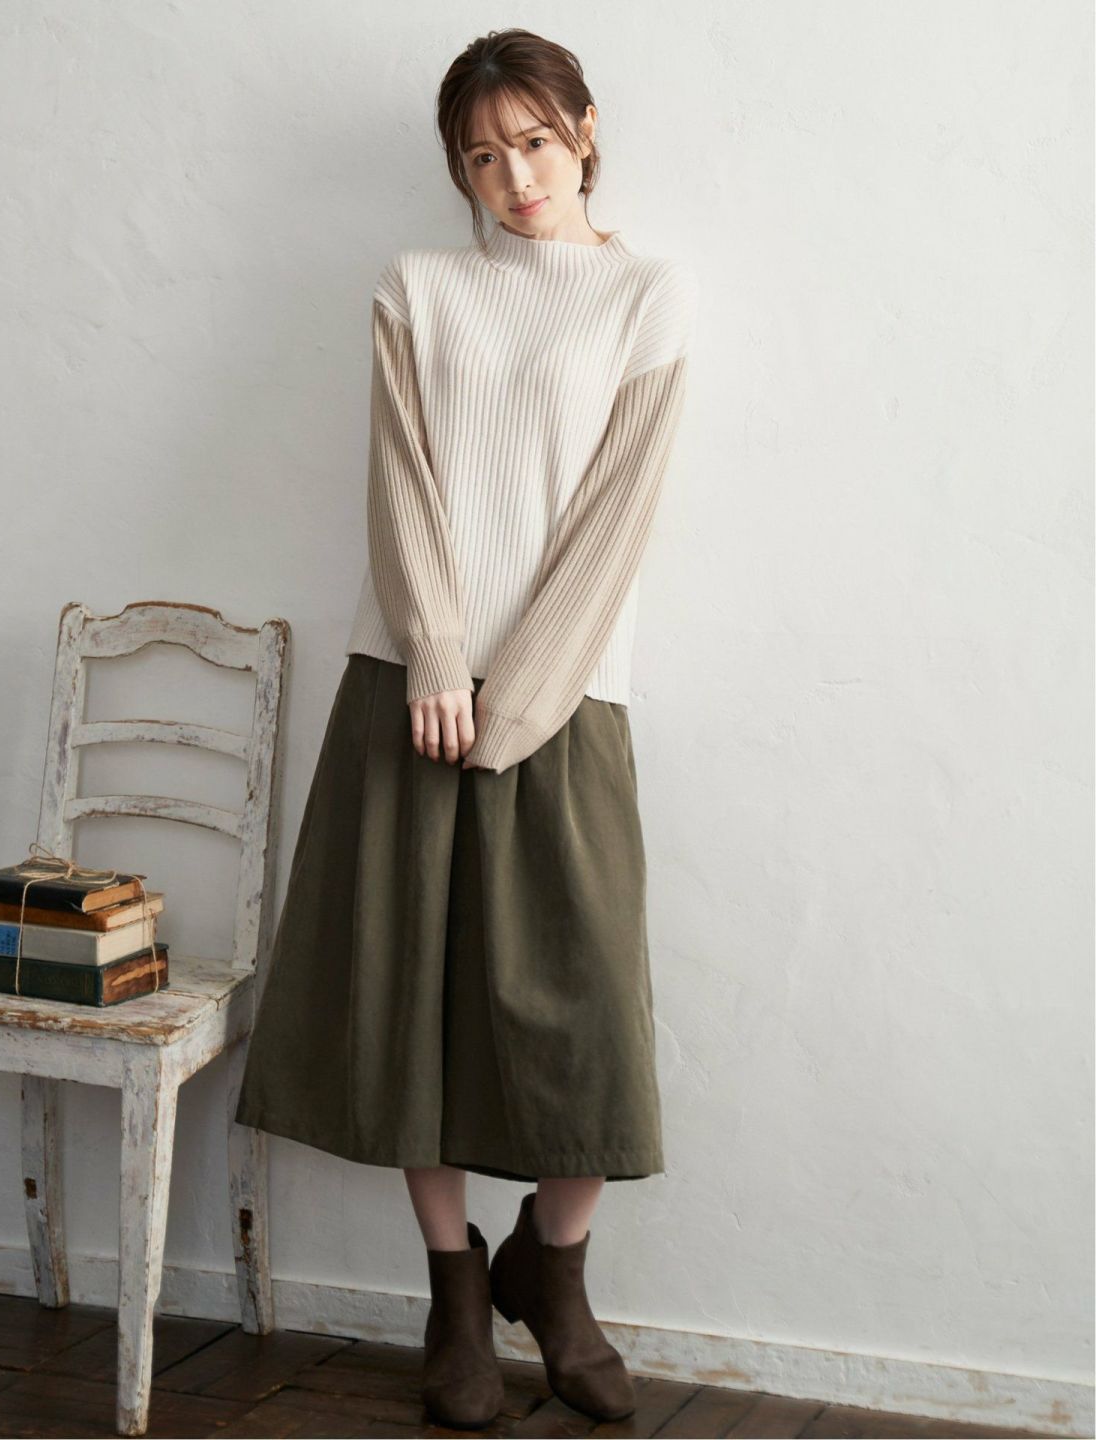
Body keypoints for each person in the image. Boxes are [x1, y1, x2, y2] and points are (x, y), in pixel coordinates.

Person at [233, 25, 695, 1431]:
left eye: (536, 143)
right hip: (407, 687)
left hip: (567, 701)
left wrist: (519, 705)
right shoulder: (419, 289)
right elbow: (402, 481)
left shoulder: (647, 296)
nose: (515, 177)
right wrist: (437, 658)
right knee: (405, 1009)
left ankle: (552, 1270)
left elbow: (615, 519)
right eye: (483, 157)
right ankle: (452, 1291)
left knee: (587, 1022)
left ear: (586, 133)